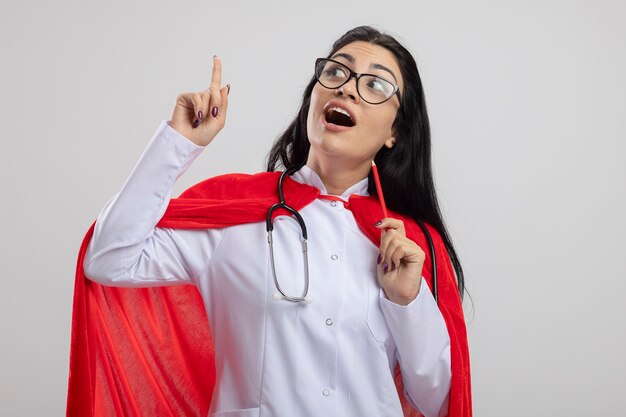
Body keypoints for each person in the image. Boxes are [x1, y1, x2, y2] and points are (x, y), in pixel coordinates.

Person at [71, 26, 471, 417]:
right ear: (312, 97)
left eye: (376, 86)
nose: (346, 87)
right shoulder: (236, 211)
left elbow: (436, 401)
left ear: (395, 132)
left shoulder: (412, 248)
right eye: (335, 71)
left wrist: (407, 301)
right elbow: (107, 258)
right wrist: (178, 144)